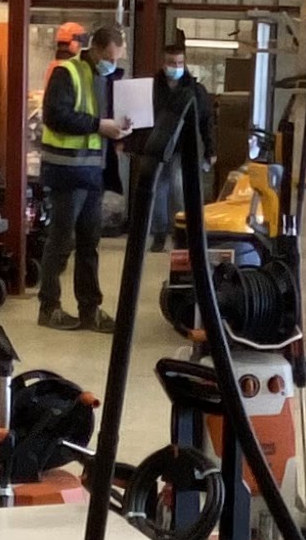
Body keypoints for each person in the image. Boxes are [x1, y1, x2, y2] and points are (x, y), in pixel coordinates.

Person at [35, 22, 125, 331]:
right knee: (61, 242)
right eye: (109, 57)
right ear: (95, 49)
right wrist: (99, 126)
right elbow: (55, 116)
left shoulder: (103, 77)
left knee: (89, 244)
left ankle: (90, 309)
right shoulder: (66, 72)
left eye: (117, 59)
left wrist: (118, 131)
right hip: (66, 171)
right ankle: (49, 307)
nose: (112, 64)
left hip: (91, 172)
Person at [145, 30, 217, 248]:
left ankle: (181, 233)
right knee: (157, 190)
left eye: (179, 63)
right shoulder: (151, 89)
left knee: (179, 189)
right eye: (171, 62)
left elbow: (206, 120)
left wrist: (211, 149)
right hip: (157, 145)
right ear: (162, 63)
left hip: (183, 147)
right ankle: (159, 234)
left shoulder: (195, 90)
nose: (175, 67)